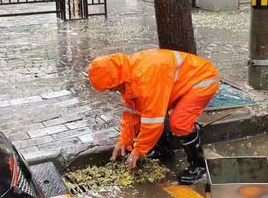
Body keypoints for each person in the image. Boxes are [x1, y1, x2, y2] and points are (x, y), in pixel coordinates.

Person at [88, 48, 219, 184]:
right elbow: (133, 111)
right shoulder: (128, 75)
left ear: (117, 80)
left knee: (179, 123)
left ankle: (199, 166)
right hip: (182, 82)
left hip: (202, 80)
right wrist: (124, 139)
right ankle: (163, 152)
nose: (113, 91)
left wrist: (138, 150)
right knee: (154, 112)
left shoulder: (145, 78)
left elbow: (153, 121)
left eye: (111, 88)